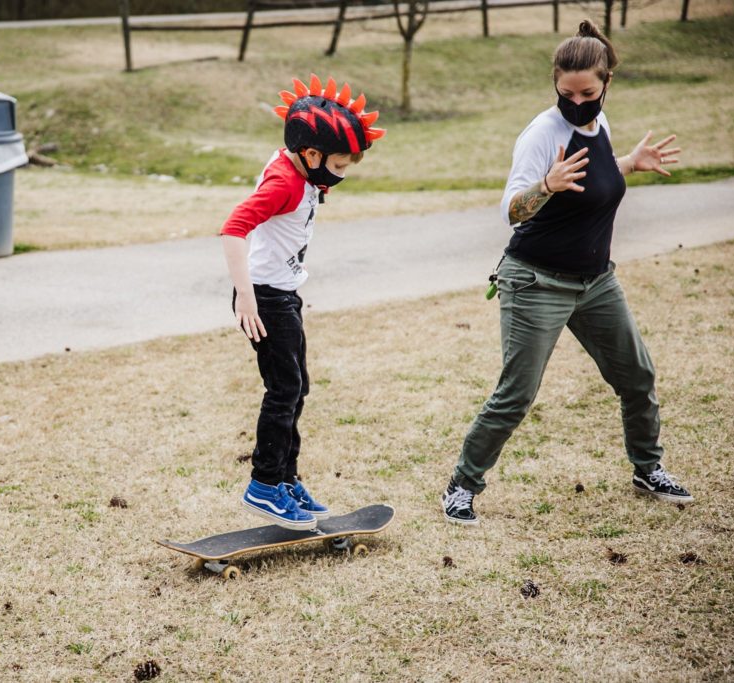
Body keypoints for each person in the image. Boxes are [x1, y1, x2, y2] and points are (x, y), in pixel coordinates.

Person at [441, 20, 693, 526]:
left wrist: (627, 163)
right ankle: (461, 486)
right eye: (566, 93)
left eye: (587, 92)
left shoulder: (601, 125)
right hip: (536, 281)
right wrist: (546, 185)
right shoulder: (542, 133)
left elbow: (594, 177)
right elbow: (512, 212)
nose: (577, 102)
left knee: (637, 377)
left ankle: (648, 468)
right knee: (517, 393)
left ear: (606, 84)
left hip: (596, 280)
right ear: (554, 84)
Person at [220, 74, 385, 530]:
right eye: (339, 164)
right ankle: (265, 486)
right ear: (311, 155)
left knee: (298, 387)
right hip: (265, 298)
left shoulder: (301, 167)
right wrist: (247, 300)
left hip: (284, 294)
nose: (341, 174)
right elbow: (233, 229)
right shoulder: (283, 182)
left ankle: (287, 479)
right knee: (283, 390)